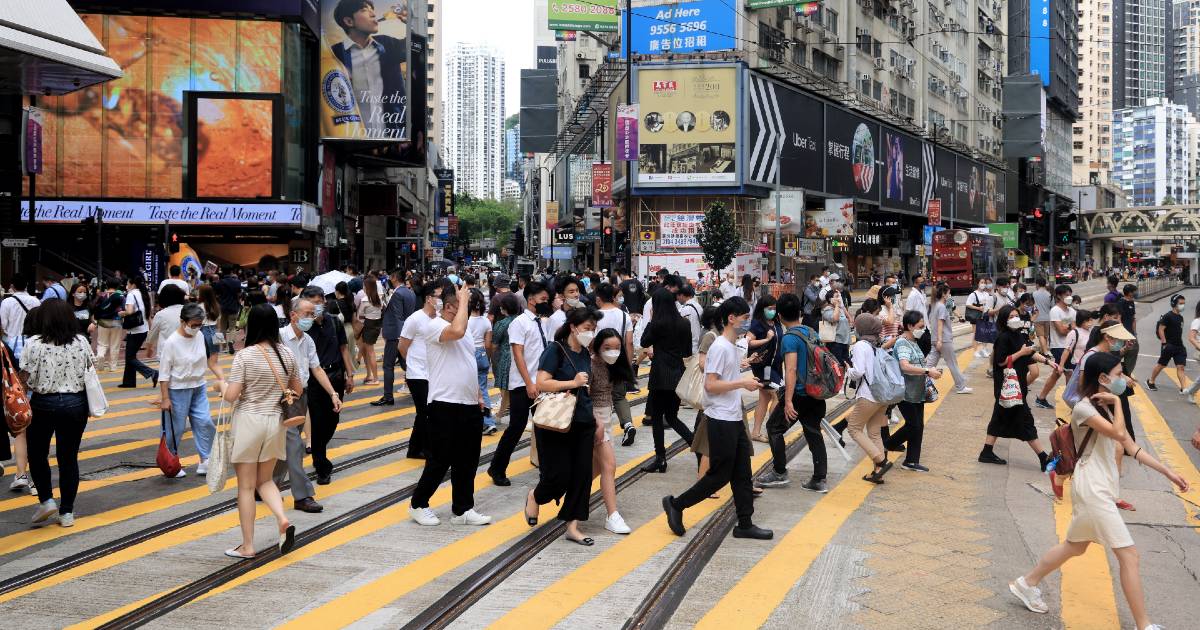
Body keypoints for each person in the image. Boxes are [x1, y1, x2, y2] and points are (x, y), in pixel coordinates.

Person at [1009, 352, 1189, 630]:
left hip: (1099, 485)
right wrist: (1117, 402)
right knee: (1129, 556)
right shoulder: (1085, 408)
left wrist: (1168, 472)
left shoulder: (1103, 406)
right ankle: (1144, 625)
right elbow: (1119, 434)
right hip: (1093, 488)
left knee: (1075, 546)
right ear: (1103, 378)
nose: (1124, 379)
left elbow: (1131, 447)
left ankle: (1026, 583)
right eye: (1119, 374)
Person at [662, 297, 772, 540]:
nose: (748, 322)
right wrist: (742, 383)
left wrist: (744, 379)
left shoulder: (732, 347)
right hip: (720, 418)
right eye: (744, 318)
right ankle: (676, 504)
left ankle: (745, 523)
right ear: (731, 319)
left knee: (742, 473)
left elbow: (724, 379)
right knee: (720, 475)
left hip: (733, 416)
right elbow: (710, 385)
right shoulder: (720, 347)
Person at [220, 304, 301, 559]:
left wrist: (220, 386)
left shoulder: (245, 356)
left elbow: (232, 395)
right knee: (265, 480)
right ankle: (282, 518)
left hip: (249, 421)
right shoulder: (287, 354)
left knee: (246, 487)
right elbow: (297, 390)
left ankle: (248, 546)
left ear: (252, 325)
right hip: (275, 422)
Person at [408, 283, 492, 527]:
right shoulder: (435, 326)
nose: (468, 309)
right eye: (462, 305)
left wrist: (478, 395)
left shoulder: (464, 330)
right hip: (444, 404)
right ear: (449, 307)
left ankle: (463, 508)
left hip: (468, 404)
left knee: (468, 460)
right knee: (440, 459)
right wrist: (463, 300)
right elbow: (456, 331)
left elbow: (467, 362)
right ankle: (418, 504)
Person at [523, 308, 602, 544]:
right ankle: (536, 496)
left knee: (582, 475)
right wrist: (572, 382)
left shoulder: (585, 354)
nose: (591, 333)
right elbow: (541, 383)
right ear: (573, 327)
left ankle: (573, 526)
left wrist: (595, 418)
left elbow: (586, 390)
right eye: (587, 328)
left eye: (593, 329)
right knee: (558, 476)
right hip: (555, 422)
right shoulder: (555, 349)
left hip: (583, 420)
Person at [17, 300, 96, 527]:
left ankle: (46, 500)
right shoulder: (81, 341)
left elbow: (24, 379)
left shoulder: (33, 343)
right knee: (68, 458)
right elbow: (89, 370)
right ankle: (67, 513)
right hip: (75, 405)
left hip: (43, 404)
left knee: (37, 454)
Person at [758, 293, 830, 492]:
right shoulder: (811, 331)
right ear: (799, 312)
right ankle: (819, 479)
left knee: (773, 428)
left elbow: (790, 370)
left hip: (799, 394)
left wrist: (788, 401)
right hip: (816, 392)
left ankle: (779, 472)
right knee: (813, 432)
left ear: (779, 316)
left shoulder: (789, 338)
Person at [276, 298, 341, 513]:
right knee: (294, 445)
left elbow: (317, 369)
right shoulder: (279, 338)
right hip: (284, 398)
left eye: (313, 314)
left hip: (301, 397)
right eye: (307, 314)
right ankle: (303, 495)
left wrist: (332, 393)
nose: (311, 318)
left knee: (287, 446)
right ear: (293, 315)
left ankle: (267, 485)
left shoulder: (307, 340)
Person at [488, 282, 552, 486]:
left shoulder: (541, 322)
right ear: (531, 299)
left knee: (543, 427)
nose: (546, 302)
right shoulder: (519, 323)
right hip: (522, 385)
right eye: (543, 299)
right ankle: (497, 468)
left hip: (540, 384)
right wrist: (528, 383)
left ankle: (546, 470)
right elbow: (518, 355)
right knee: (516, 427)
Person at [980, 305, 1057, 469]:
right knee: (1025, 420)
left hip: (1016, 386)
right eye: (1011, 317)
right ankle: (1043, 458)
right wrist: (1020, 353)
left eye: (1016, 316)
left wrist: (1048, 361)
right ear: (1004, 320)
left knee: (999, 418)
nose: (1015, 319)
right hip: (1008, 387)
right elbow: (1001, 361)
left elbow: (1030, 352)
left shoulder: (1019, 335)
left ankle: (986, 452)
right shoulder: (1003, 338)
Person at [158, 304, 225, 478]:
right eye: (193, 325)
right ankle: (170, 462)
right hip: (177, 389)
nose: (196, 328)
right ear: (183, 321)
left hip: (198, 386)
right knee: (176, 428)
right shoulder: (171, 342)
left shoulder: (200, 335)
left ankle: (206, 459)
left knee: (204, 421)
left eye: (199, 325)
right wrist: (165, 398)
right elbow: (164, 374)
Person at [330, 0, 409, 139]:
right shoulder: (335, 54)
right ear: (349, 21)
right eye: (365, 10)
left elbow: (414, 49)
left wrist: (408, 22)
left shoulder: (388, 45)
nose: (373, 14)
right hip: (353, 140)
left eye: (372, 9)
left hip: (391, 141)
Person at [299, 286, 355, 484]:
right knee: (317, 421)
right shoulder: (304, 326)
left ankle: (318, 450)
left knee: (332, 420)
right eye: (312, 302)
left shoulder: (334, 321)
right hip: (314, 379)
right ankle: (321, 464)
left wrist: (350, 374)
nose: (317, 306)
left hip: (336, 375)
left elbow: (343, 348)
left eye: (319, 301)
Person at [640, 288, 695, 473]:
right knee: (672, 417)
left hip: (659, 376)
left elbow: (644, 342)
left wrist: (651, 320)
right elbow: (687, 351)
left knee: (657, 417)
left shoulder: (657, 324)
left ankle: (660, 459)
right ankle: (696, 446)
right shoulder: (684, 323)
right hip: (678, 374)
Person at [880, 310, 941, 472]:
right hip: (905, 392)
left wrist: (929, 370)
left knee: (918, 426)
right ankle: (888, 444)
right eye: (920, 326)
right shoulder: (902, 343)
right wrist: (927, 371)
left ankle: (912, 461)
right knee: (913, 426)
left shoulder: (914, 342)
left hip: (917, 391)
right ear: (909, 326)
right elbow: (905, 366)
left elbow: (918, 364)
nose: (923, 330)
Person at [845, 313, 894, 484]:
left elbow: (858, 372)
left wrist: (847, 370)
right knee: (874, 432)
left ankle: (880, 461)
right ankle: (878, 472)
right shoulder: (876, 345)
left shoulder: (860, 345)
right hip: (882, 396)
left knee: (854, 429)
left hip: (868, 396)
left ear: (861, 329)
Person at [398, 280, 444, 459]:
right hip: (417, 373)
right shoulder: (415, 319)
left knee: (426, 412)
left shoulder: (439, 319)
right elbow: (402, 346)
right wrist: (412, 363)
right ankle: (424, 448)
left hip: (434, 372)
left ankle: (415, 448)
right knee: (425, 411)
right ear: (428, 298)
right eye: (438, 296)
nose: (440, 300)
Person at [593, 283, 636, 446]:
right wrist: (628, 365)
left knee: (598, 396)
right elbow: (629, 342)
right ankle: (628, 424)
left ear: (598, 298)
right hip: (618, 359)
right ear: (613, 296)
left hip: (598, 361)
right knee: (619, 396)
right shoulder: (624, 315)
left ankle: (600, 429)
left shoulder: (595, 316)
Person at [375, 271, 416, 406]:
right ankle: (418, 389)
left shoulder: (398, 294)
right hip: (406, 334)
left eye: (390, 276)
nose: (388, 278)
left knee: (388, 365)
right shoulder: (410, 292)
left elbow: (398, 316)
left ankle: (388, 396)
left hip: (396, 335)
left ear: (394, 278)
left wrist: (399, 337)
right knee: (406, 364)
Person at [747, 296, 782, 442]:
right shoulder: (757, 323)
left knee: (764, 398)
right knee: (778, 395)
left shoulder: (776, 322)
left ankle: (755, 432)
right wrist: (766, 339)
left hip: (776, 366)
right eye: (769, 308)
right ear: (762, 309)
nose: (772, 311)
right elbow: (748, 342)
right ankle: (773, 431)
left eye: (774, 308)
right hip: (764, 367)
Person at [925, 282, 970, 394]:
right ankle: (960, 386)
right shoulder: (941, 307)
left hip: (935, 339)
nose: (949, 295)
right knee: (952, 363)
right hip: (943, 340)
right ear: (944, 294)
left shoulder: (934, 305)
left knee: (929, 365)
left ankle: (920, 383)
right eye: (948, 293)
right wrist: (940, 340)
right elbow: (940, 324)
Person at [466, 289, 498, 434]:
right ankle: (488, 420)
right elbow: (488, 344)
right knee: (483, 389)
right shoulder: (486, 321)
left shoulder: (465, 320)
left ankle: (482, 422)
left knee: (469, 390)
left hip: (469, 355)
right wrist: (488, 359)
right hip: (483, 354)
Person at [119, 277, 158, 388]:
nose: (127, 285)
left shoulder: (131, 294)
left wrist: (121, 313)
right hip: (143, 329)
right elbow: (148, 314)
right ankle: (129, 382)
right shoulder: (144, 294)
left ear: (133, 284)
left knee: (130, 357)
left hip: (135, 330)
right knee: (130, 356)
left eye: (128, 283)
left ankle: (152, 373)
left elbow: (129, 311)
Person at [487, 294, 521, 422]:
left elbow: (494, 344)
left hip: (505, 357)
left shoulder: (501, 324)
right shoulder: (521, 321)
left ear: (504, 308)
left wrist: (491, 357)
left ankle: (501, 414)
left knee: (505, 387)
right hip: (521, 356)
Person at [1145, 294, 1187, 393]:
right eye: (1180, 303)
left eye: (1183, 303)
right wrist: (1164, 343)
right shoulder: (1168, 316)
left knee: (1180, 367)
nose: (1183, 305)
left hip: (1179, 346)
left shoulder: (1180, 317)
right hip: (1169, 345)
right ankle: (1151, 381)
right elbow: (1161, 329)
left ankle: (1184, 388)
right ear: (1174, 304)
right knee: (1161, 365)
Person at [2, 273, 41, 361]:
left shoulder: (6, 302)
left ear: (12, 286)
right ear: (26, 285)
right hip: (32, 343)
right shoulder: (36, 301)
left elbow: (3, 326)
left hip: (12, 344)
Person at [354, 275, 384, 386]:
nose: (363, 287)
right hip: (377, 326)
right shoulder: (379, 299)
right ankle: (369, 375)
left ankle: (375, 378)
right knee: (368, 351)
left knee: (370, 353)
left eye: (364, 286)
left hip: (368, 326)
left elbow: (360, 315)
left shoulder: (365, 300)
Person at [145, 284, 187, 359]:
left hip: (166, 355)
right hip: (185, 353)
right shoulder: (188, 311)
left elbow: (152, 336)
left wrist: (149, 350)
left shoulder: (161, 315)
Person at [92, 279, 124, 372]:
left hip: (103, 322)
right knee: (115, 344)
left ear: (107, 285)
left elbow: (96, 308)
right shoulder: (120, 296)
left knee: (102, 343)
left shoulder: (102, 295)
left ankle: (100, 356)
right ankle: (113, 366)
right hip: (117, 322)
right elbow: (123, 308)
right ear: (117, 286)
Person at [967, 277, 997, 358]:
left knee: (985, 332)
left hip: (985, 315)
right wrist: (978, 308)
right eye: (982, 282)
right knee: (976, 333)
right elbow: (968, 304)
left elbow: (988, 304)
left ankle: (984, 349)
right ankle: (975, 351)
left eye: (984, 283)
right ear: (978, 283)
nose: (983, 284)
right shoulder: (973, 294)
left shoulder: (986, 294)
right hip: (976, 316)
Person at [820, 289, 851, 366]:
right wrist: (837, 305)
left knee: (846, 364)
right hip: (835, 342)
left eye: (839, 296)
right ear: (830, 299)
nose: (839, 298)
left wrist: (840, 306)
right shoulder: (827, 310)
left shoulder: (839, 309)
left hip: (844, 341)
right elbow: (835, 318)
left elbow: (849, 319)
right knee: (838, 365)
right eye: (836, 296)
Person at [1116, 283, 1139, 376]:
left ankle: (1127, 373)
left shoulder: (1131, 302)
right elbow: (1119, 319)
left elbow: (1133, 319)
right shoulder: (1121, 302)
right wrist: (1124, 335)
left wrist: (1135, 334)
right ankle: (1114, 371)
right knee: (1119, 353)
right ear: (1129, 293)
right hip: (1123, 335)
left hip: (1131, 334)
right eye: (1134, 291)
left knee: (1133, 351)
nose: (1136, 293)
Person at [1032, 276, 1053, 353]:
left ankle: (1045, 352)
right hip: (1048, 317)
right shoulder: (1049, 294)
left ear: (1037, 284)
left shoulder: (1034, 294)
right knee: (1045, 336)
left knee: (1040, 336)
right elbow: (1052, 306)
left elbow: (1031, 306)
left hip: (1038, 318)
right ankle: (1042, 350)